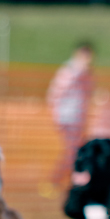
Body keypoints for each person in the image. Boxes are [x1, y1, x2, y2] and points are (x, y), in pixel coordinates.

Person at [46, 41, 95, 192]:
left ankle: (70, 181)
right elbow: (55, 93)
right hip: (66, 118)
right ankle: (58, 181)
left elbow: (88, 93)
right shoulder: (69, 71)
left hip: (78, 119)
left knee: (74, 150)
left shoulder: (87, 74)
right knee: (72, 151)